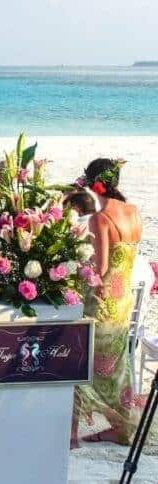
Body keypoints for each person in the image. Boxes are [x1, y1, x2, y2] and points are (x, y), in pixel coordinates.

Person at [73, 158, 146, 447]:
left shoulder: (100, 218)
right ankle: (121, 425)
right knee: (118, 363)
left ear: (93, 184)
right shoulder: (134, 212)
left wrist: (76, 266)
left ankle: (72, 432)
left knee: (84, 358)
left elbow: (99, 268)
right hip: (123, 297)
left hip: (102, 300)